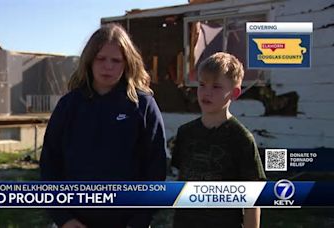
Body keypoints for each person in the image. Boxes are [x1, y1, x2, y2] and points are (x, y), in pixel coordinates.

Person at [40, 23, 167, 228]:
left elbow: (156, 168)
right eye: (101, 58)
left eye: (116, 60)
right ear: (89, 61)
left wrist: (140, 220)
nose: (108, 66)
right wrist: (63, 218)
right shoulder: (69, 106)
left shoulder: (142, 106)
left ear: (127, 63)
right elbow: (50, 165)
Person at [171, 52, 266, 228]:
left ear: (234, 93)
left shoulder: (241, 138)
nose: (206, 92)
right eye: (202, 84)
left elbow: (253, 199)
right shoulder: (185, 133)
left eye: (216, 86)